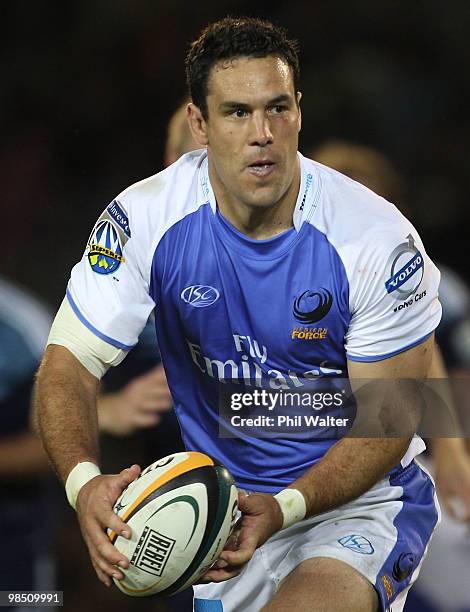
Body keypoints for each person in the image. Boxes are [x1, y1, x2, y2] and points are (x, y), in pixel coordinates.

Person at [35, 17, 442, 612]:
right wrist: (83, 483)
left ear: (300, 111)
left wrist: (286, 508)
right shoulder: (146, 219)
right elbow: (67, 364)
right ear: (199, 124)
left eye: (278, 109)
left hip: (355, 505)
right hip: (222, 515)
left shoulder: (375, 240)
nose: (263, 134)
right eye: (236, 113)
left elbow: (394, 415)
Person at [311, 140, 470, 612]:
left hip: (408, 463)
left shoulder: (426, 282)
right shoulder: (281, 276)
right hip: (305, 467)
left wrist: (453, 453)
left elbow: (437, 361)